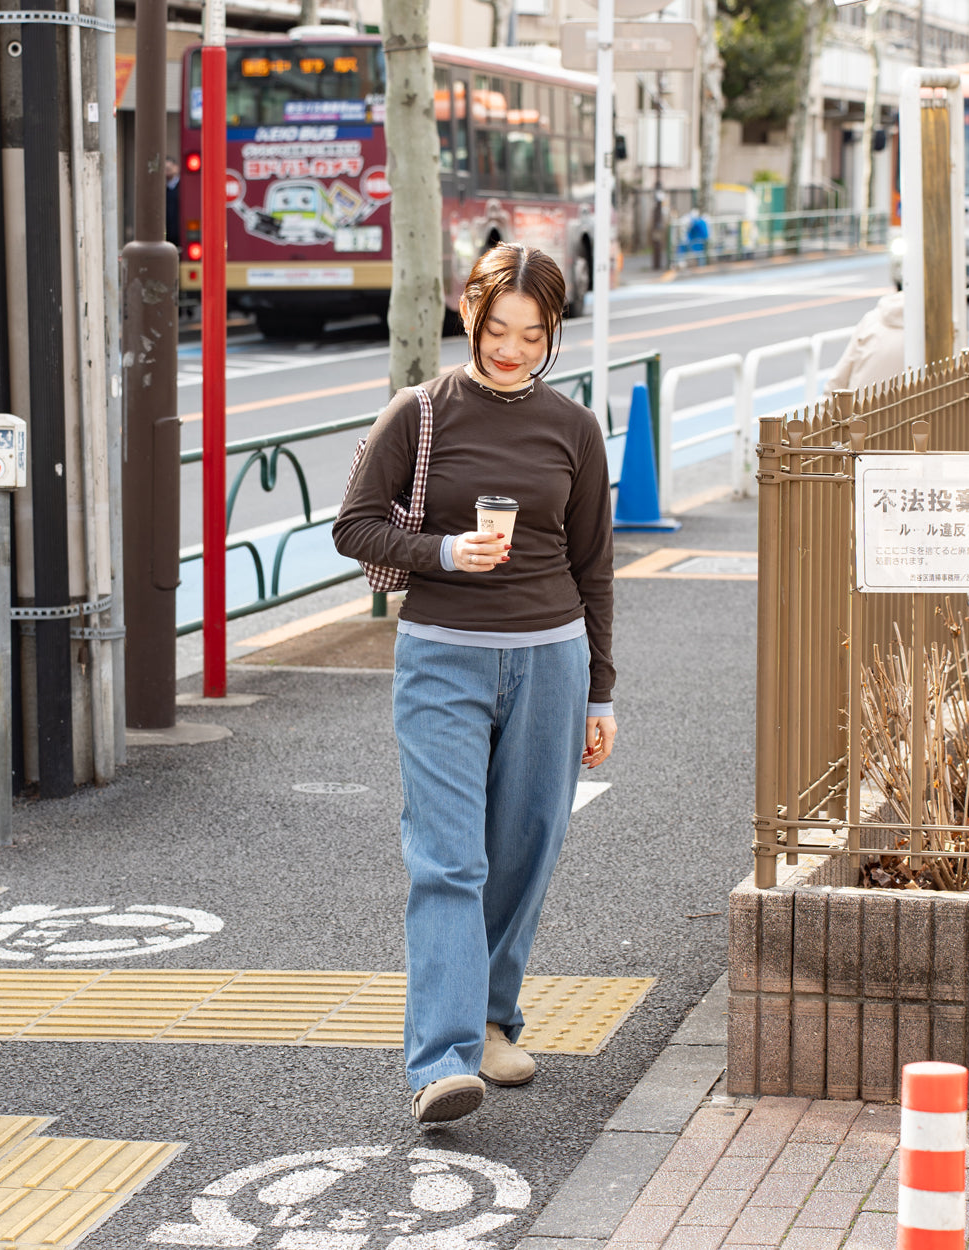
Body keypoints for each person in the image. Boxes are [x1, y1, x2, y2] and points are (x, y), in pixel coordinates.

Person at [332, 243, 617, 1126]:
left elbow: (595, 567)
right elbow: (355, 528)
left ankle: (493, 1018)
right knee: (448, 858)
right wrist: (445, 553)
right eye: (499, 329)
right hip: (443, 654)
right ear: (469, 313)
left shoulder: (574, 428)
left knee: (526, 850)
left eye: (534, 334)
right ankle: (443, 1061)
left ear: (554, 333)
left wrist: (600, 692)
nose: (513, 349)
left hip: (551, 655)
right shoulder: (417, 415)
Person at [824, 290, 906, 396]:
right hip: (904, 409)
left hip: (858, 408)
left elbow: (837, 381)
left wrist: (823, 411)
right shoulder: (929, 329)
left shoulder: (872, 318)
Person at [165, 156, 180, 248]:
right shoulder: (160, 189)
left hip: (179, 230)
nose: (167, 171)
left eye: (169, 168)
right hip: (166, 232)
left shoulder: (183, 187)